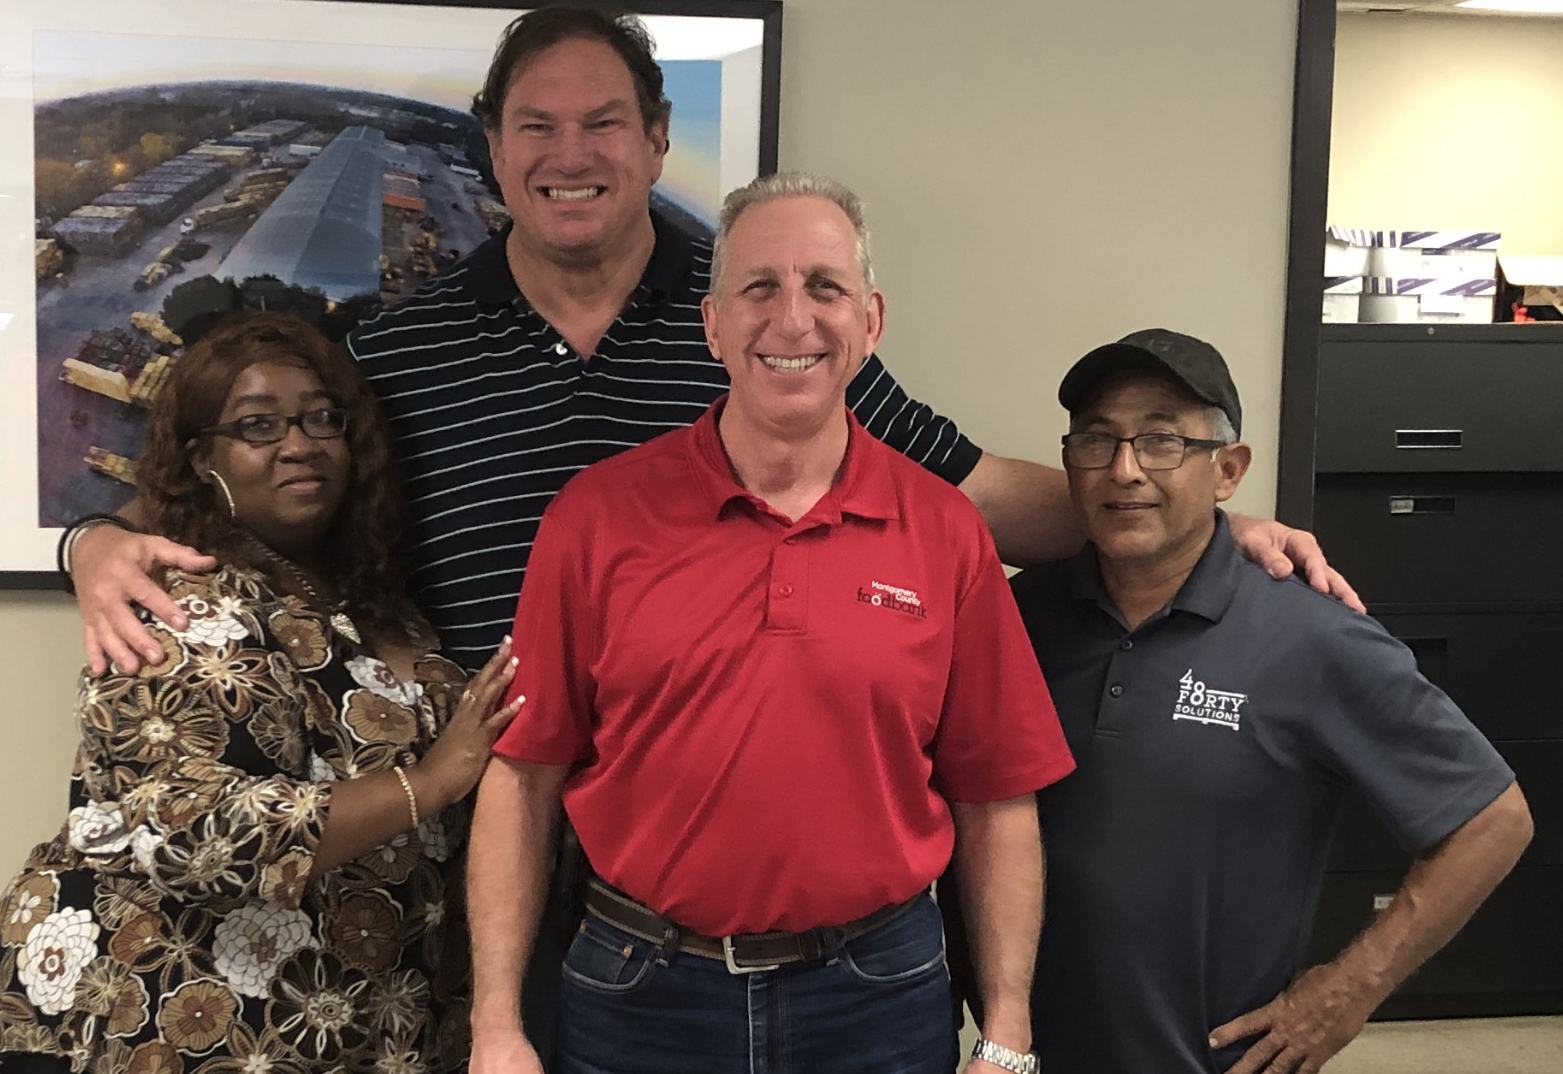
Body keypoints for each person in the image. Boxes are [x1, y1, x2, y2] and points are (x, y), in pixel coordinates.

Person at [66, 5, 1355, 681]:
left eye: (605, 122)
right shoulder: (401, 342)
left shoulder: (763, 325)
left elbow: (968, 494)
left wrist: (1179, 521)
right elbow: (261, 510)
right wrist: (95, 539)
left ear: (656, 139)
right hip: (477, 795)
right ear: (493, 144)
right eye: (537, 125)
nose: (571, 156)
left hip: (702, 799)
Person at [464, 173, 1074, 1074]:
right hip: (641, 991)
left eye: (823, 287)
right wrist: (495, 1026)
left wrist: (1008, 1032)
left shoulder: (942, 529)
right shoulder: (595, 517)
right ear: (712, 325)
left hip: (876, 992)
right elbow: (523, 781)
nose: (792, 320)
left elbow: (996, 796)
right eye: (759, 287)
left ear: (870, 322)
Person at [998, 329, 1533, 1074]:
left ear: (1227, 470)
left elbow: (1493, 819)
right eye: (1096, 440)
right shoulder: (1016, 620)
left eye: (1161, 441)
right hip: (1023, 1056)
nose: (1123, 470)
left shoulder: (1311, 638)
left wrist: (1347, 991)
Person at [0, 314, 521, 1074]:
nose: (299, 442)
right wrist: (433, 781)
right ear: (200, 458)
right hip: (191, 1019)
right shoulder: (171, 603)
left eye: (320, 418)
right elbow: (192, 830)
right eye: (257, 425)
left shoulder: (374, 601)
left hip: (362, 1017)